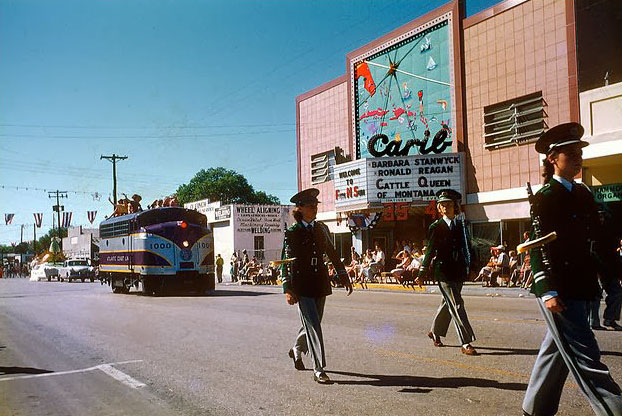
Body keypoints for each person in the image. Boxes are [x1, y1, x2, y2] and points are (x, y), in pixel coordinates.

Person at [522, 122, 622, 416]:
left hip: (583, 285)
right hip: (560, 289)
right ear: (553, 158)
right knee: (587, 358)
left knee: (555, 351)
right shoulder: (546, 197)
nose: (578, 159)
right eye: (570, 154)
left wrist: (614, 273)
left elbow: (600, 243)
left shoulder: (583, 194)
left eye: (579, 153)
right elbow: (537, 245)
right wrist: (547, 289)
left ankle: (534, 409)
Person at [281, 188, 352, 384]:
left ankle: (297, 348)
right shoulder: (293, 232)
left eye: (316, 205)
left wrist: (343, 275)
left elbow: (332, 252)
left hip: (320, 282)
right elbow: (284, 260)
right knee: (313, 326)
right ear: (300, 209)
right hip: (301, 285)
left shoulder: (321, 229)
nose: (315, 209)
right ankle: (319, 369)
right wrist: (287, 288)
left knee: (314, 323)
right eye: (311, 206)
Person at [416, 189, 477, 356]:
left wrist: (473, 268)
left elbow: (469, 248)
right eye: (443, 205)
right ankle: (465, 342)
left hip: (458, 271)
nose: (447, 207)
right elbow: (430, 250)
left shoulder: (461, 226)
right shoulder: (436, 227)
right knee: (457, 304)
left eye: (450, 205)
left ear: (454, 207)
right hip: (443, 272)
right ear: (439, 209)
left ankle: (435, 332)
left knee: (447, 304)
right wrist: (422, 272)